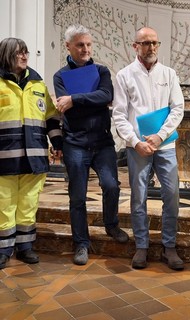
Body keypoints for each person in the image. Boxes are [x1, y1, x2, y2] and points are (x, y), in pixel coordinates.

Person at [53, 24, 129, 266]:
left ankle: (111, 225)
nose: (85, 49)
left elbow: (106, 96)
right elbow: (66, 109)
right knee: (77, 197)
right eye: (80, 45)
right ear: (68, 46)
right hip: (74, 143)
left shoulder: (101, 70)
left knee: (111, 186)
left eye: (88, 44)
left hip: (102, 142)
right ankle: (81, 244)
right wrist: (88, 101)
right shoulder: (60, 76)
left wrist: (75, 99)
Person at [113, 27, 184, 270]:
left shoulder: (169, 73)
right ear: (135, 46)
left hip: (165, 145)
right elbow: (120, 115)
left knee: (172, 195)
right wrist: (136, 142)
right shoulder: (124, 75)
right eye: (145, 43)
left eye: (155, 43)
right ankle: (141, 245)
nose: (151, 47)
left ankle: (169, 245)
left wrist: (160, 136)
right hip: (138, 147)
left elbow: (178, 108)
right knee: (138, 197)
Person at [0, 38, 63, 269]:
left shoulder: (38, 84)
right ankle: (4, 248)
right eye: (19, 53)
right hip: (4, 157)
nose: (25, 56)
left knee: (28, 203)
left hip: (35, 156)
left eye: (26, 52)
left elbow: (51, 117)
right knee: (4, 204)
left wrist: (57, 141)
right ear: (7, 55)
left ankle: (25, 247)